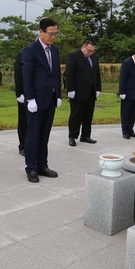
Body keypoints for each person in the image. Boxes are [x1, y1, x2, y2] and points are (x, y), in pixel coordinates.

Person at [21, 18, 62, 183]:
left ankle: (42, 165)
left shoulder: (55, 50)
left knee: (44, 134)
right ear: (41, 32)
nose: (52, 37)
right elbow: (27, 77)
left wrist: (58, 94)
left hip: (50, 98)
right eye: (50, 34)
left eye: (55, 34)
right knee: (33, 135)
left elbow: (56, 74)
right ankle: (31, 168)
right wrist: (30, 99)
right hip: (35, 101)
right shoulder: (30, 50)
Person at [65, 39, 101, 146]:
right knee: (76, 115)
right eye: (89, 50)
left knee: (88, 115)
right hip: (78, 92)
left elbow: (97, 74)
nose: (90, 53)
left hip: (91, 91)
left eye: (92, 51)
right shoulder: (74, 56)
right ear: (84, 47)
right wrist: (70, 90)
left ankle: (85, 136)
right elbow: (69, 74)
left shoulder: (95, 58)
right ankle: (72, 136)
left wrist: (98, 88)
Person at [14, 51, 27, 156]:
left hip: (40, 94)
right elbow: (18, 74)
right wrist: (19, 93)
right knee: (24, 121)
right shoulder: (24, 53)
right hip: (25, 93)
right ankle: (23, 145)